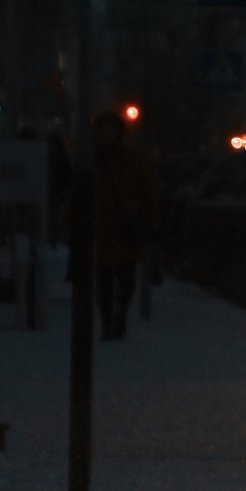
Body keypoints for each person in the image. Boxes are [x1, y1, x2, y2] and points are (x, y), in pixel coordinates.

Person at [91, 112, 159, 341]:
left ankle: (118, 319)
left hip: (123, 227)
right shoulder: (94, 158)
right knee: (104, 280)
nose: (106, 135)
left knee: (125, 279)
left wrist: (151, 220)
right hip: (104, 227)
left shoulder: (129, 158)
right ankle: (108, 321)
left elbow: (146, 191)